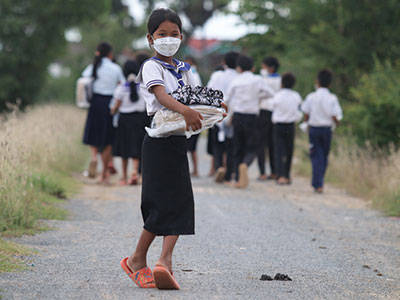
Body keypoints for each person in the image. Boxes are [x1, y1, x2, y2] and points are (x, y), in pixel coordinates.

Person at [120, 8, 227, 290]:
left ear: (182, 37)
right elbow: (161, 96)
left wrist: (218, 107)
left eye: (174, 34)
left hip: (179, 140)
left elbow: (199, 96)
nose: (169, 39)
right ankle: (137, 259)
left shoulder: (185, 69)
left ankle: (163, 262)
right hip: (157, 142)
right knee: (159, 205)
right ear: (151, 38)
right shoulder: (151, 67)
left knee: (180, 203)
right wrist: (186, 111)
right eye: (162, 34)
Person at [225, 55, 274, 188]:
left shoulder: (236, 81)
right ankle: (245, 164)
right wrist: (258, 96)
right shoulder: (257, 80)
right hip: (252, 117)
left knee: (238, 147)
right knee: (253, 147)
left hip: (238, 117)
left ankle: (237, 178)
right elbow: (270, 93)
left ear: (239, 68)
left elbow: (227, 99)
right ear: (252, 67)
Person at [82, 42, 125, 184]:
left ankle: (94, 158)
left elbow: (83, 81)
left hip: (95, 103)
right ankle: (103, 173)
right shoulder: (115, 68)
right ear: (110, 54)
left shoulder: (93, 67)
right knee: (108, 140)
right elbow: (123, 85)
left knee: (93, 133)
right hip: (110, 104)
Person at [301, 69, 343, 193]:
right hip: (326, 130)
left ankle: (317, 183)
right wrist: (336, 123)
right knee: (324, 156)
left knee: (315, 156)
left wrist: (306, 122)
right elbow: (336, 115)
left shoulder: (311, 97)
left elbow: (306, 113)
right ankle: (319, 182)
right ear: (330, 84)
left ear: (317, 82)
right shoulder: (332, 98)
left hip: (314, 129)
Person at [111, 60, 148, 185]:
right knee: (136, 147)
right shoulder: (142, 86)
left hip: (124, 120)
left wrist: (112, 111)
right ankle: (135, 172)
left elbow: (116, 106)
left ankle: (124, 177)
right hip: (139, 120)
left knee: (124, 148)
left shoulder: (122, 87)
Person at [207, 51, 239, 184]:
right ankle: (229, 173)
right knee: (231, 145)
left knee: (217, 144)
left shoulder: (217, 75)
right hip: (233, 114)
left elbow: (208, 91)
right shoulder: (239, 77)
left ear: (224, 62)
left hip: (217, 112)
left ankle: (219, 166)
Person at [270, 73, 302, 185]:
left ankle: (279, 175)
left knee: (278, 150)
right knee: (289, 151)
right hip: (290, 125)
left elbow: (272, 108)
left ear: (282, 83)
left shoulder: (277, 96)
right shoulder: (296, 96)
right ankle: (287, 175)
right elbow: (299, 111)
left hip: (278, 125)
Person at [257, 57, 281, 181]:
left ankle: (262, 172)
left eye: (264, 66)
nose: (262, 69)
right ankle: (274, 172)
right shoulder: (280, 80)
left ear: (270, 68)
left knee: (261, 143)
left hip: (264, 111)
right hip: (276, 112)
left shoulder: (263, 79)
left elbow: (258, 94)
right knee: (273, 143)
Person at [184, 56, 202, 177]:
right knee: (190, 147)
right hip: (188, 111)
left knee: (191, 147)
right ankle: (192, 170)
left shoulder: (193, 75)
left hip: (191, 112)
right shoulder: (192, 74)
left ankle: (194, 169)